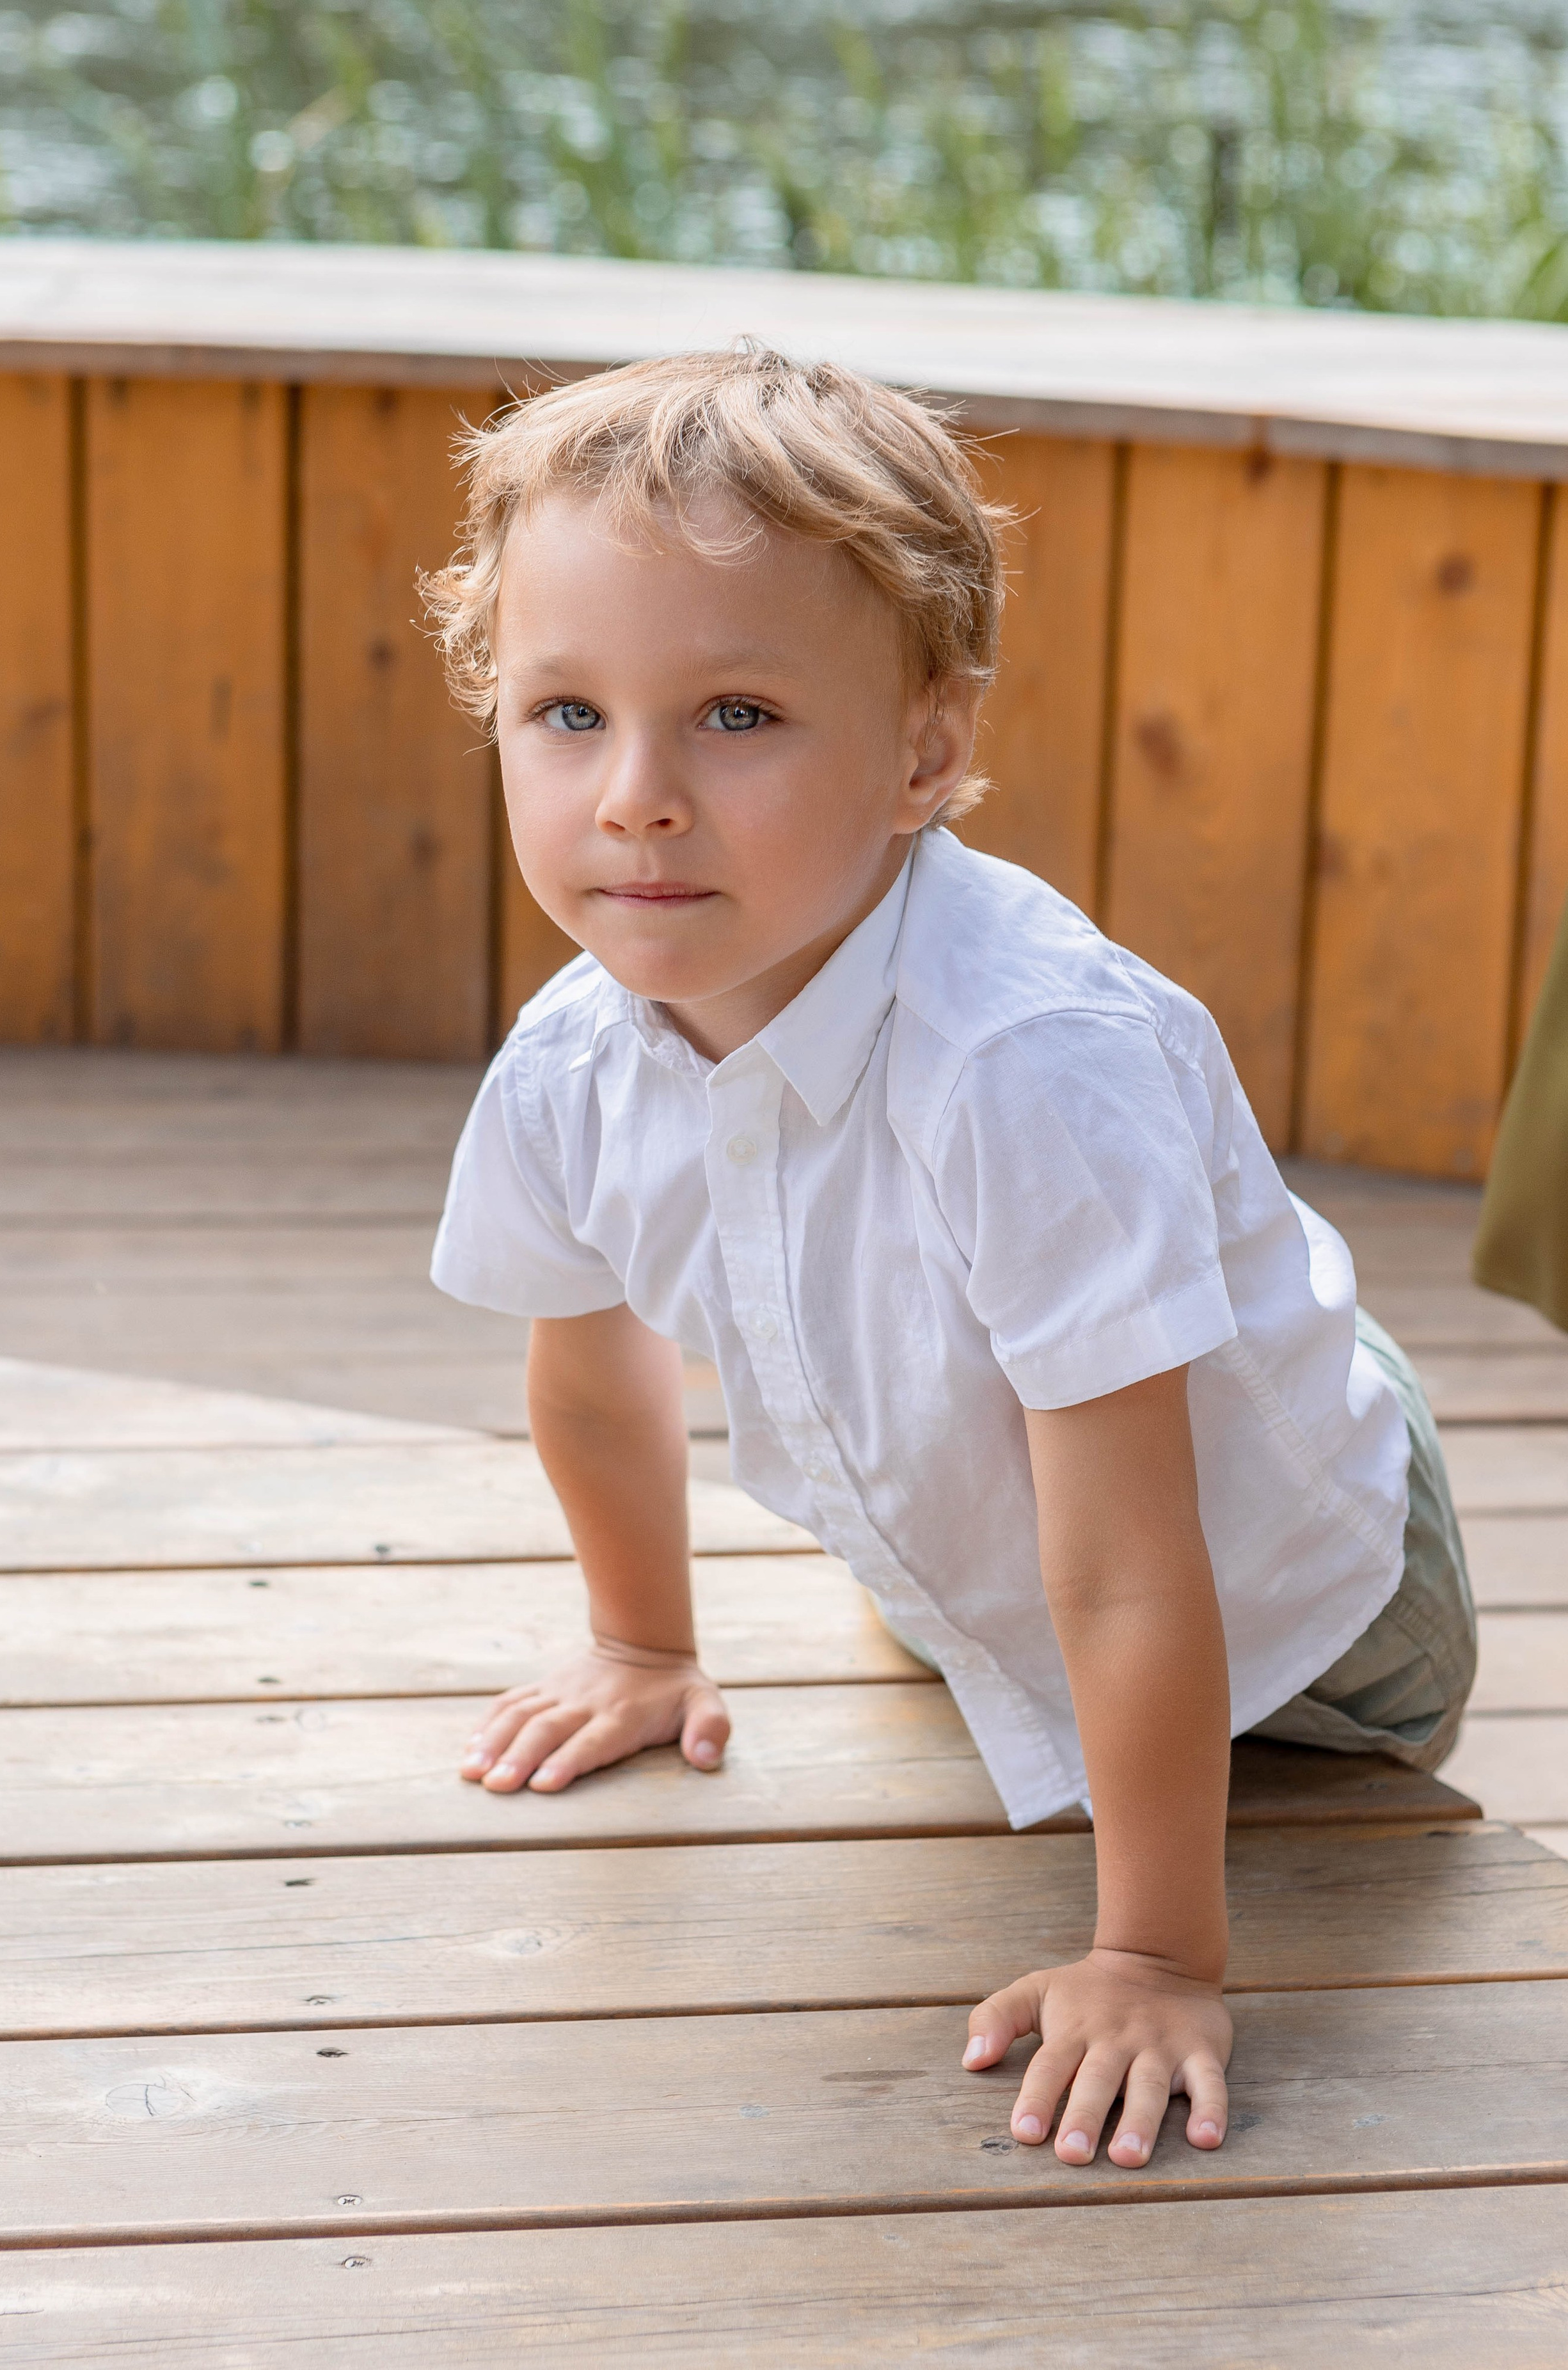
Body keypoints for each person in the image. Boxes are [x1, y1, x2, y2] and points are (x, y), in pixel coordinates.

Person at [422, 347, 1476, 2174]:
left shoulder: (1023, 1071)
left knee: (1157, 1440)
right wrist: (642, 1640)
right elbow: (591, 1368)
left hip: (1296, 1594)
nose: (638, 795)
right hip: (998, 1537)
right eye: (567, 714)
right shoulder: (572, 1063)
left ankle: (1273, 1320)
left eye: (737, 715)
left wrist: (1155, 1950)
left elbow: (1145, 1556)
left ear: (926, 751)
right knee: (1022, 1453)